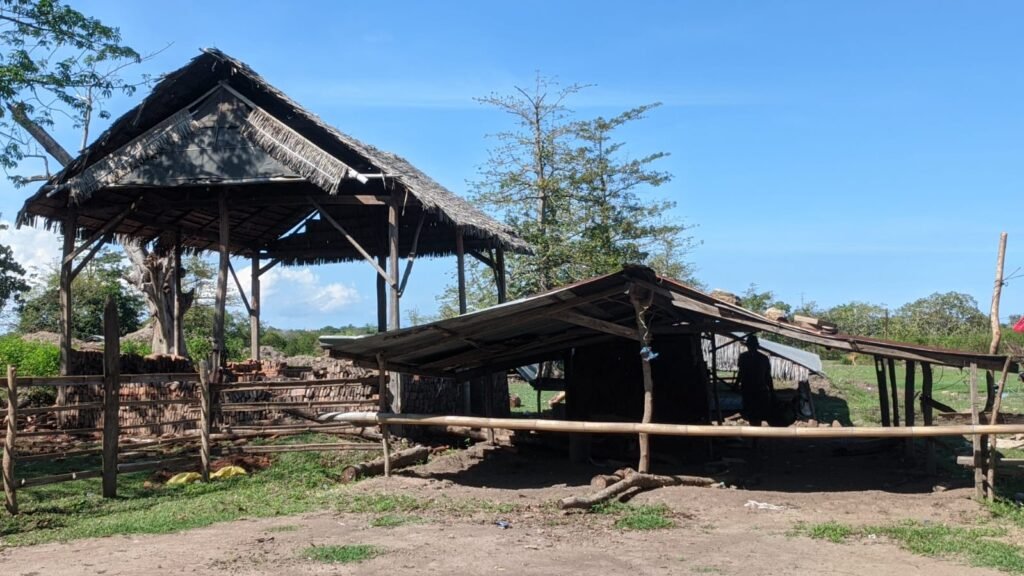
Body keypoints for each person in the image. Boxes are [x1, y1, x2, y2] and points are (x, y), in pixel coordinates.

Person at [737, 335, 775, 425]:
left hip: (754, 390)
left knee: (754, 414)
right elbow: (767, 377)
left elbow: (741, 373)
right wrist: (772, 391)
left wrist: (736, 385)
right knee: (756, 414)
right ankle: (755, 435)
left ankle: (755, 435)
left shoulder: (744, 357)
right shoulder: (763, 358)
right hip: (756, 390)